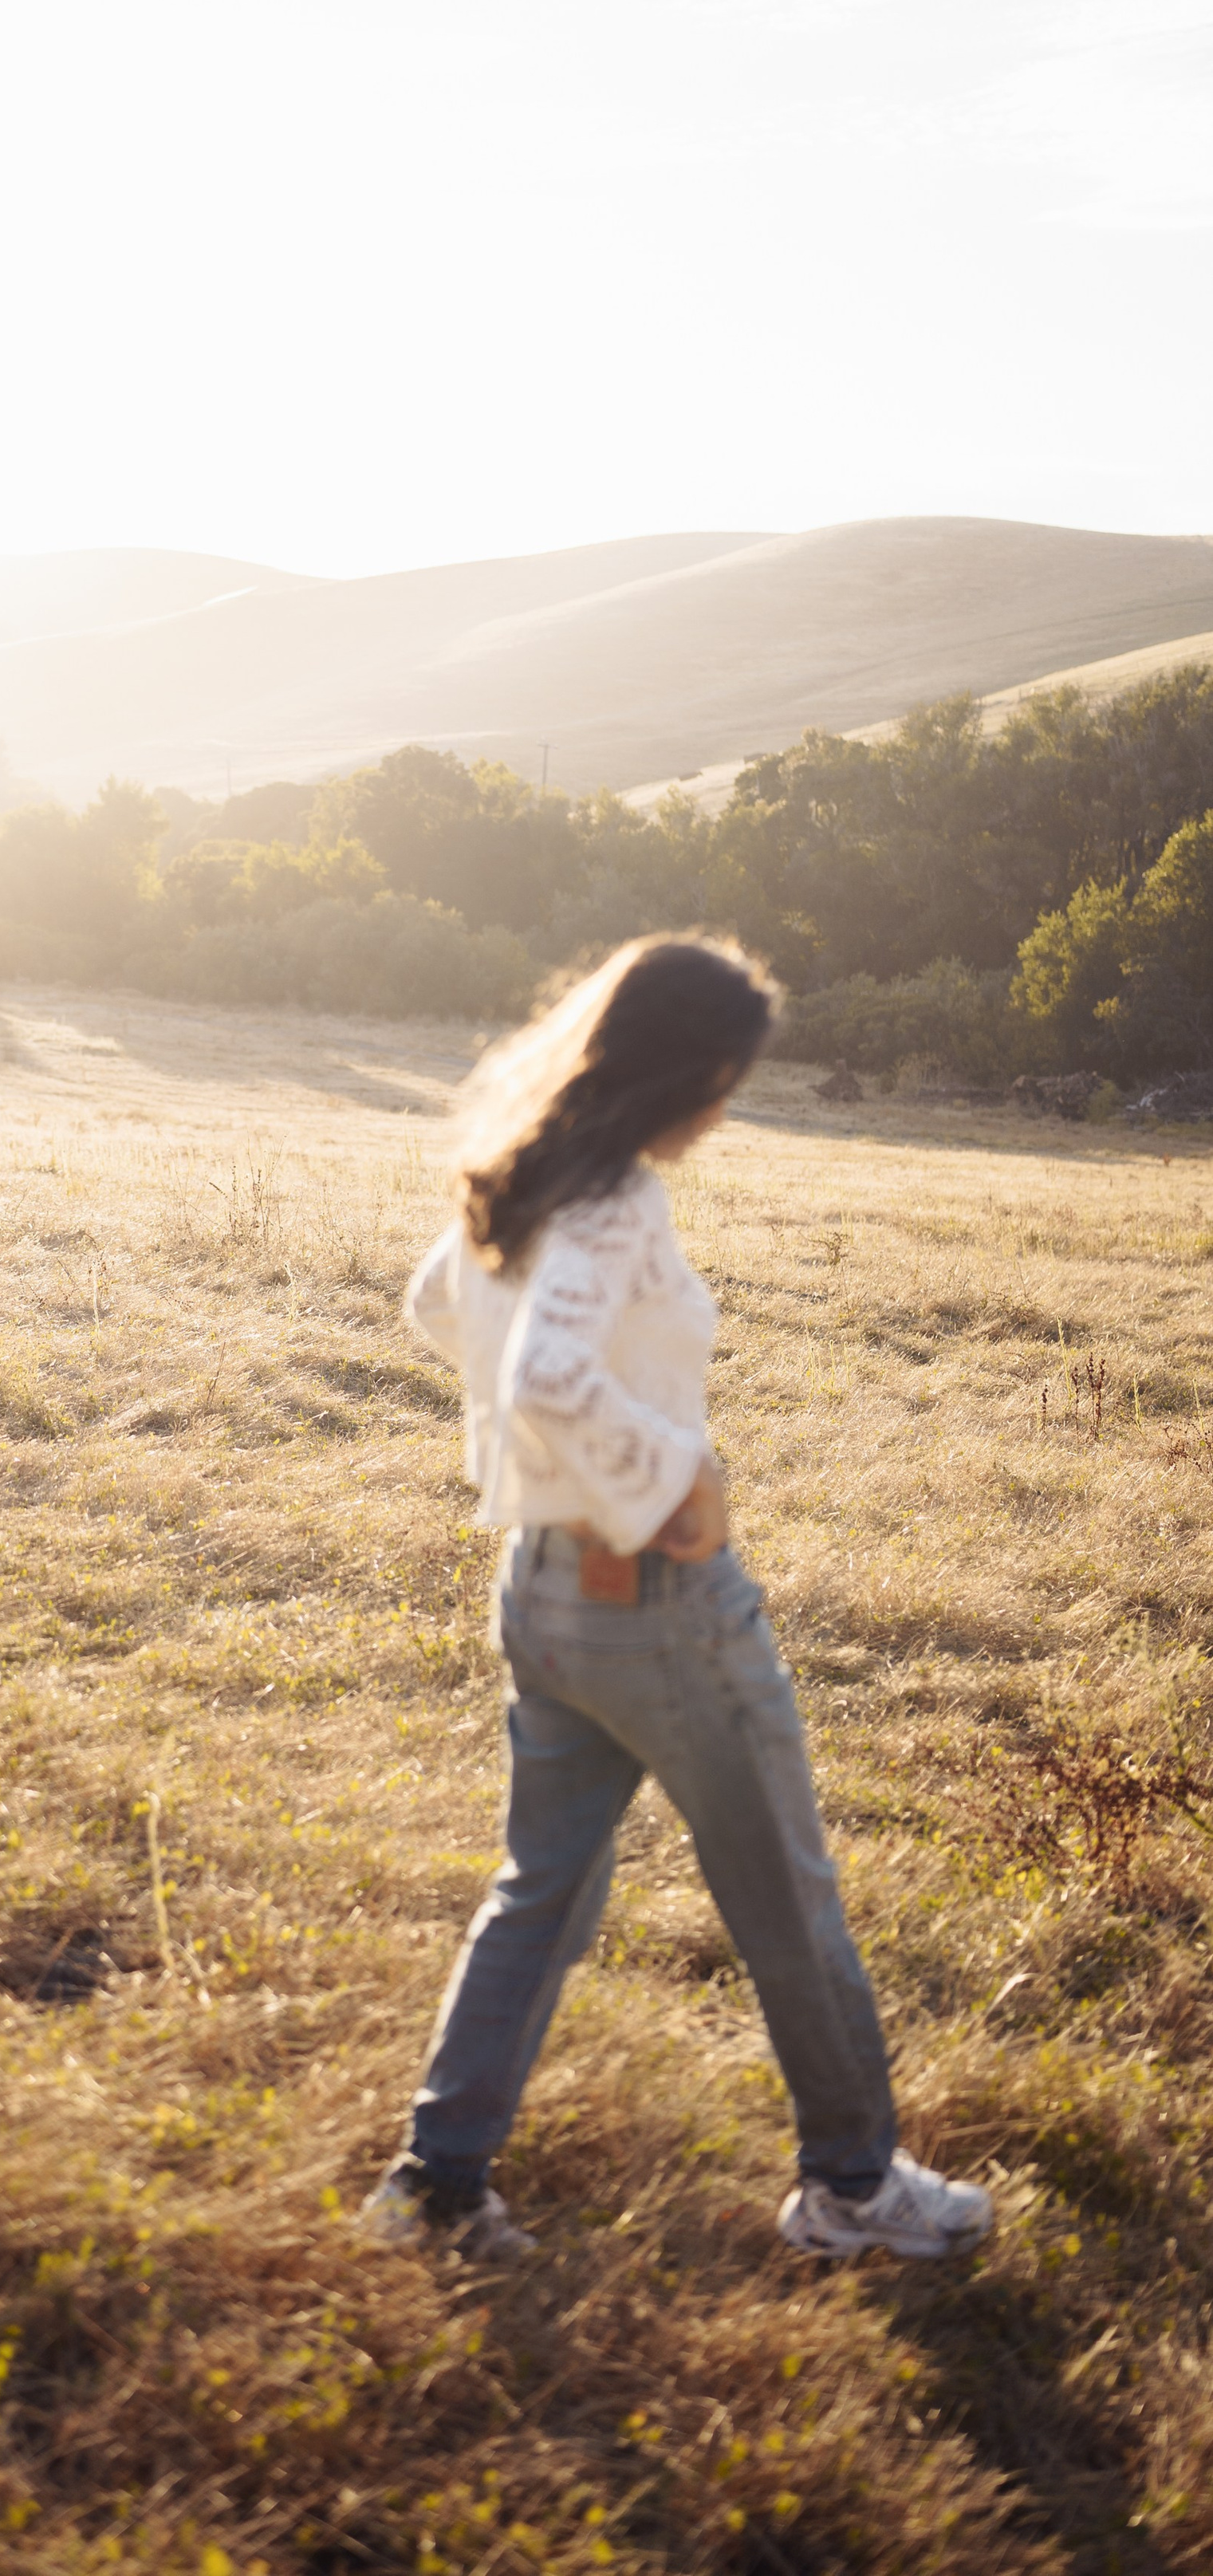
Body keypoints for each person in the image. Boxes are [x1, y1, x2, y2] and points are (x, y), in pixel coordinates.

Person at [363, 935, 991, 2267]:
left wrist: (560, 1476)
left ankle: (435, 2190)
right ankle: (855, 2188)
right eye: (725, 1080)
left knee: (539, 1896)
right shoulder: (614, 1199)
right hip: (656, 1602)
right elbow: (544, 1377)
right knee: (790, 1904)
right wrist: (674, 1479)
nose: (725, 1107)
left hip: (542, 1591)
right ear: (683, 1073)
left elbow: (434, 1305)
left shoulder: (520, 1176)